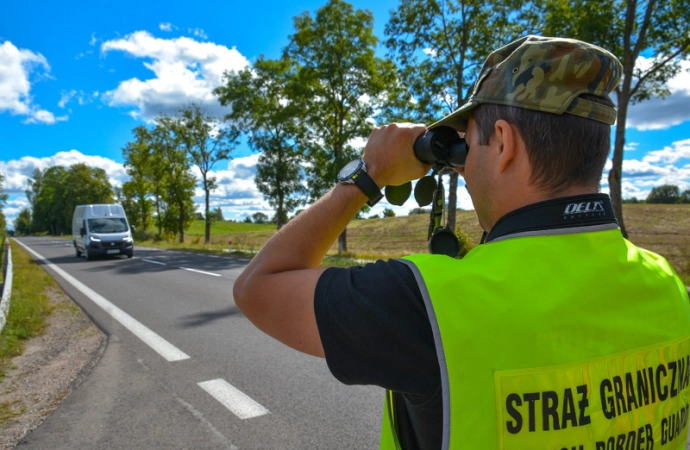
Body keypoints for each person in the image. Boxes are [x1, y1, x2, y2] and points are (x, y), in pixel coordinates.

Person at [233, 35, 690, 449]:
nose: (463, 169)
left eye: (469, 146)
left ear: (505, 143)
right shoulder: (668, 286)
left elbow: (257, 286)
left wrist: (366, 176)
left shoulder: (428, 304)